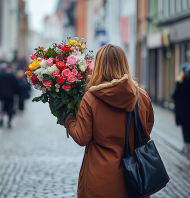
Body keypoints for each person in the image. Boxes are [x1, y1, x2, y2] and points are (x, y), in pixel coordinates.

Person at [65, 44, 154, 198]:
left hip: (101, 180)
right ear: (124, 64)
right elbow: (147, 128)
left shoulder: (91, 98)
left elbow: (82, 137)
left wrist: (68, 119)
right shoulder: (142, 96)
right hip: (136, 179)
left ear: (98, 66)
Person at [171, 63, 190, 153]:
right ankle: (189, 143)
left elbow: (174, 95)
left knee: (184, 127)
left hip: (182, 109)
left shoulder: (180, 83)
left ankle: (185, 143)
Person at [0, 63, 18, 128]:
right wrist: (15, 93)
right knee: (10, 107)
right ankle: (9, 119)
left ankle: (1, 118)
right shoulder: (11, 76)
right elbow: (16, 85)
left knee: (1, 107)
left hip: (1, 95)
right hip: (10, 95)